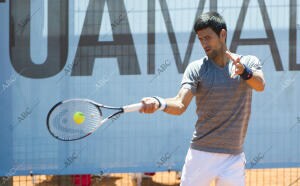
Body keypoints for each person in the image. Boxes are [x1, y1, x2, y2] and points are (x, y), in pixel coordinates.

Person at [139, 11, 265, 186]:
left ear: (222, 34)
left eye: (207, 37)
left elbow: (260, 85)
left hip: (233, 158)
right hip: (200, 156)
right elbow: (180, 103)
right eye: (200, 39)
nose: (204, 43)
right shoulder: (196, 69)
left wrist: (244, 72)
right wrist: (159, 103)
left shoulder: (248, 62)